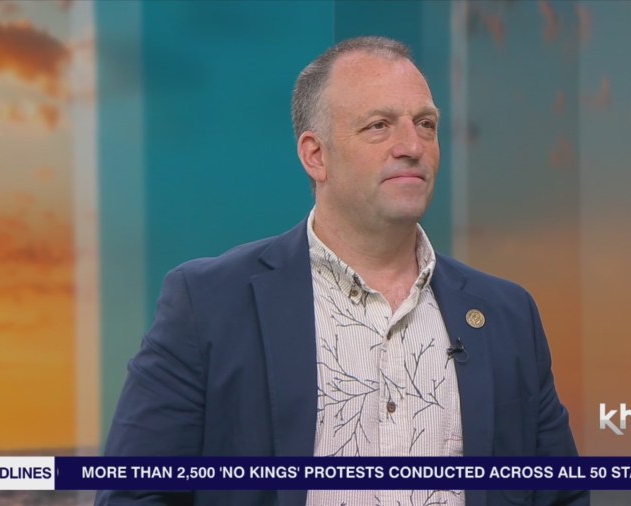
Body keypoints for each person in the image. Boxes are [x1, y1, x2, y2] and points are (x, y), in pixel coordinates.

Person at [97, 36, 588, 506]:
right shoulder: (209, 304)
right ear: (316, 155)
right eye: (379, 125)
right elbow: (133, 492)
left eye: (425, 124)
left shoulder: (507, 315)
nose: (412, 145)